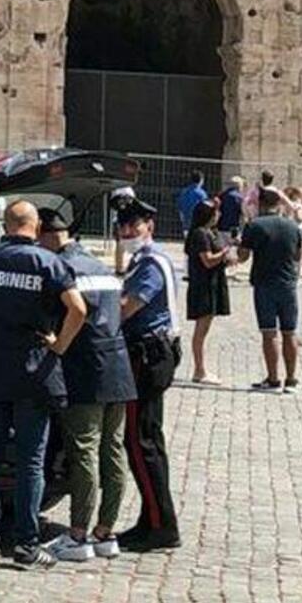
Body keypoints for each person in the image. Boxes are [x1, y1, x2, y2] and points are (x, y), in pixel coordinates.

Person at [0, 200, 87, 569]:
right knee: (31, 461)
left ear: (5, 226)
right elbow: (79, 309)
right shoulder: (48, 263)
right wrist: (59, 345)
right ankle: (26, 544)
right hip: (33, 372)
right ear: (36, 226)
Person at [37, 208, 134, 562]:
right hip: (118, 366)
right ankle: (106, 533)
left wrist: (56, 343)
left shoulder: (61, 269)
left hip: (84, 368)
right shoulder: (99, 264)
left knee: (84, 451)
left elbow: (66, 314)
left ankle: (77, 536)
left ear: (47, 236)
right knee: (113, 450)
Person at [115, 197, 182, 550]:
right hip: (155, 351)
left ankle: (161, 524)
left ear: (149, 227)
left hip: (147, 355)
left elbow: (127, 308)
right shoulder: (146, 260)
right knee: (149, 440)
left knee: (139, 442)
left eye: (134, 226)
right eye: (123, 227)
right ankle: (153, 517)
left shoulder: (149, 264)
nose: (128, 232)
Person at [239, 187, 302, 393]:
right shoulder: (292, 226)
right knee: (290, 332)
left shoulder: (254, 225)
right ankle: (292, 379)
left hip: (264, 283)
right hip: (287, 284)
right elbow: (297, 256)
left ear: (261, 204)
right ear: (279, 204)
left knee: (269, 333)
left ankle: (273, 378)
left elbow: (243, 256)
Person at [183, 199, 233, 385]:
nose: (218, 215)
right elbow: (208, 260)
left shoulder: (209, 233)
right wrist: (224, 253)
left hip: (212, 284)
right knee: (201, 331)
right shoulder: (200, 235)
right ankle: (199, 370)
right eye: (216, 212)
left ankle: (201, 368)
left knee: (204, 329)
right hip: (203, 286)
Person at [174, 172, 208, 236]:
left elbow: (179, 206)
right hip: (197, 224)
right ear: (201, 180)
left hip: (186, 222)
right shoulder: (202, 193)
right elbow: (205, 208)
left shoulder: (184, 191)